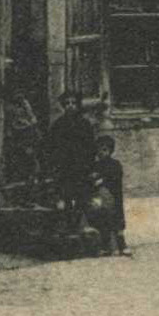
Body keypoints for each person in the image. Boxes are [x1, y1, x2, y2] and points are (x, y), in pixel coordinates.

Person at [43, 94, 97, 227]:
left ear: (78, 105)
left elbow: (91, 146)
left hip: (81, 167)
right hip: (65, 167)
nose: (70, 106)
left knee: (82, 197)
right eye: (67, 103)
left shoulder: (85, 124)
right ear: (63, 106)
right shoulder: (58, 124)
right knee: (65, 196)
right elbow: (51, 145)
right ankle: (67, 225)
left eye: (73, 103)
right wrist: (54, 163)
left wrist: (88, 164)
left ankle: (81, 224)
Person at [93, 133, 129, 255]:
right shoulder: (96, 165)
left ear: (110, 151)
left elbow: (115, 177)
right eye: (99, 150)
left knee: (117, 221)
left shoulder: (115, 164)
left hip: (114, 195)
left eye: (105, 150)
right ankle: (106, 246)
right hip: (102, 196)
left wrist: (102, 180)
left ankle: (122, 245)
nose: (101, 153)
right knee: (103, 219)